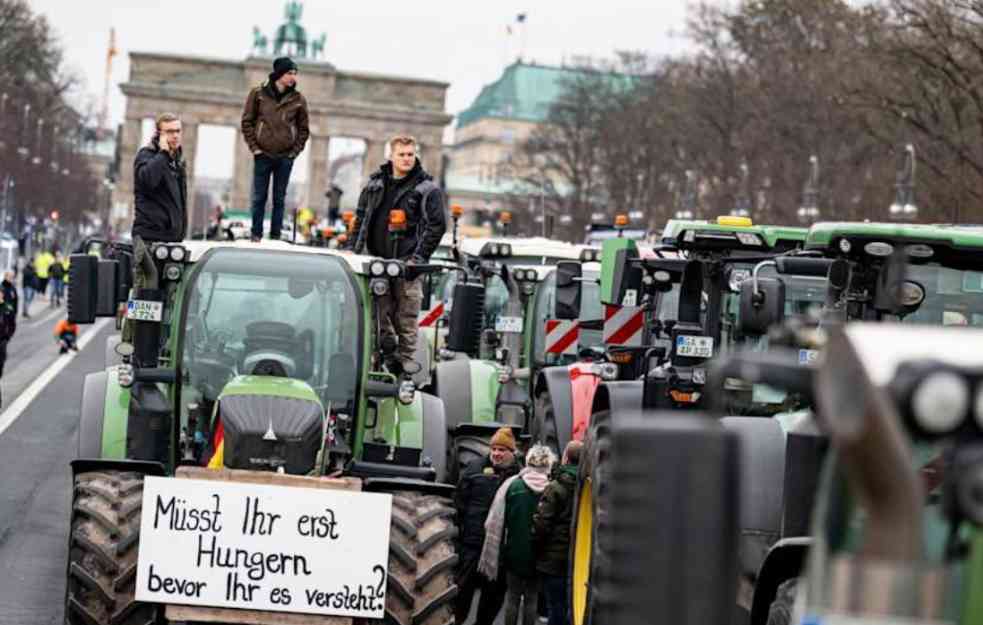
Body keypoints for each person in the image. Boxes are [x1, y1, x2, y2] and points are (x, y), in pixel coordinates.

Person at [351, 135, 447, 374]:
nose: (406, 158)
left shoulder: (427, 189)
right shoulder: (373, 186)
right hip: (376, 263)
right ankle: (383, 356)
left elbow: (437, 226)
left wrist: (418, 259)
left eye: (410, 154)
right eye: (401, 154)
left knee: (406, 317)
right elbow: (360, 220)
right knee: (376, 316)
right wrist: (352, 252)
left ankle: (405, 365)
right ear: (390, 156)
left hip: (407, 265)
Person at [479, 444, 556, 625]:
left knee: (512, 598)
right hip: (539, 555)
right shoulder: (551, 488)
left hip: (513, 552)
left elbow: (494, 521)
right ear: (548, 465)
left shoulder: (513, 486)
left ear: (529, 462)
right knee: (531, 599)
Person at [128, 112, 188, 343]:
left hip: (171, 241)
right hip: (149, 239)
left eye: (178, 131)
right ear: (158, 134)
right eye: (169, 131)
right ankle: (135, 349)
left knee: (172, 302)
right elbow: (148, 180)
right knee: (145, 298)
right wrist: (162, 153)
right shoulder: (147, 156)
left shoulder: (177, 162)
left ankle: (164, 345)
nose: (175, 136)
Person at [455, 427, 521, 625]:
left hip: (499, 548)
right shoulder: (474, 469)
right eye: (494, 449)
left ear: (512, 452)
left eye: (502, 450)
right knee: (462, 589)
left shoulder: (518, 474)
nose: (496, 454)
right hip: (472, 543)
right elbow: (460, 502)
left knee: (493, 594)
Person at [241, 56, 310, 242]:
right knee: (259, 197)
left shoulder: (298, 99)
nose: (293, 77)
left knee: (279, 199)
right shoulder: (258, 94)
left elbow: (304, 129)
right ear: (279, 73)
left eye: (295, 73)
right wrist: (255, 148)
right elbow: (247, 122)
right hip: (262, 154)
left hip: (285, 157)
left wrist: (293, 153)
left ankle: (276, 236)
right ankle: (256, 234)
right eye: (289, 73)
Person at [533, 440, 583, 625]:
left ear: (565, 458)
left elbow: (542, 524)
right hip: (577, 558)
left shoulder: (556, 487)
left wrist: (536, 546)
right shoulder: (586, 485)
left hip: (553, 558)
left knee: (555, 606)